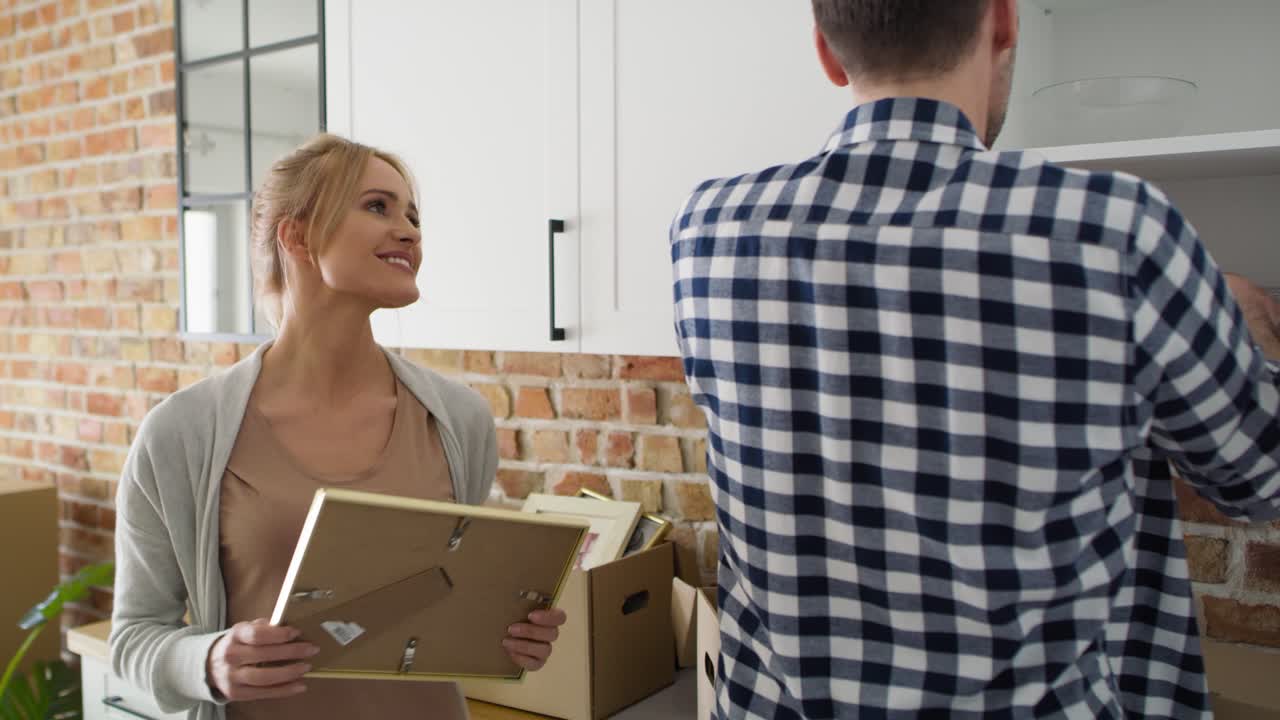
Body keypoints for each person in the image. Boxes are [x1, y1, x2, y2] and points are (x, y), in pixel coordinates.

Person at [669, 1, 1280, 717]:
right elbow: (1258, 479)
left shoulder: (711, 227)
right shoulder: (1114, 230)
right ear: (1003, 24)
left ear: (827, 54)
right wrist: (1239, 318)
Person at [110, 134, 566, 720]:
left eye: (412, 215)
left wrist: (506, 634)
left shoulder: (459, 419)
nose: (409, 231)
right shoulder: (182, 433)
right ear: (296, 235)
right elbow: (134, 636)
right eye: (378, 207)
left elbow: (438, 602)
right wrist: (210, 662)